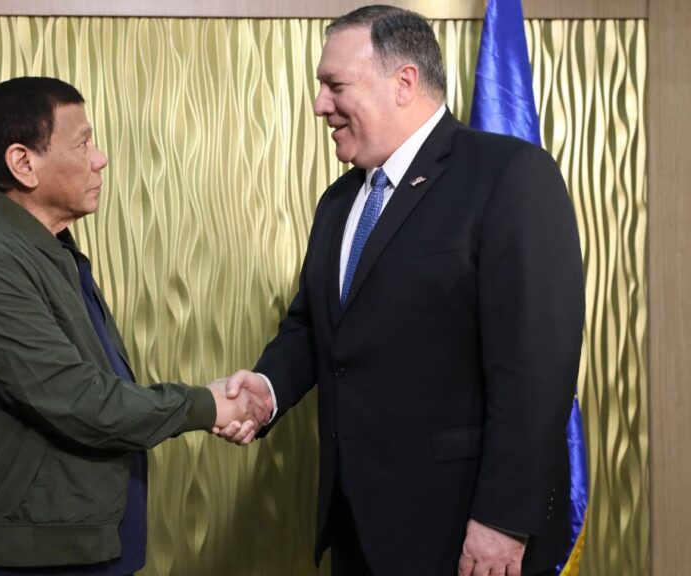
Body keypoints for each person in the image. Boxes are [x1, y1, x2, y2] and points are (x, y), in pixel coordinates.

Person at [218, 6, 584, 576]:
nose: (320, 105)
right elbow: (315, 328)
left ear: (404, 82)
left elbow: (536, 367)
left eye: (334, 85)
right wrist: (266, 389)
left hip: (464, 531)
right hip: (356, 526)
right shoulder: (338, 202)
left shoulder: (509, 174)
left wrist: (504, 521)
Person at [0, 76, 271, 575]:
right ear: (23, 163)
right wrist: (208, 404)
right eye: (83, 142)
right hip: (33, 555)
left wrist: (209, 399)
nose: (100, 158)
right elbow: (77, 398)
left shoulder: (46, 248)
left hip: (82, 538)